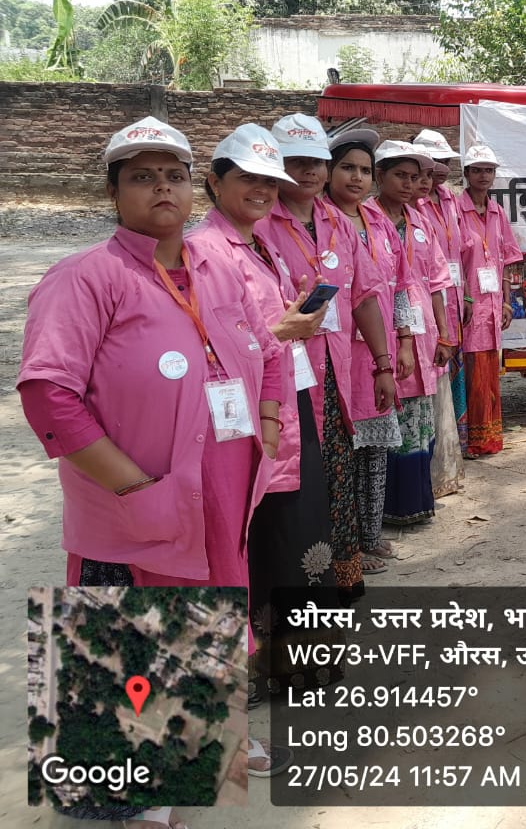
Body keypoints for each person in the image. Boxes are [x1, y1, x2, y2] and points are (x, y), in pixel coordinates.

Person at [18, 117, 286, 828]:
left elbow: (269, 348)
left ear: (193, 188)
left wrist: (267, 427)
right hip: (135, 503)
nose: (161, 188)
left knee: (207, 618)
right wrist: (135, 488)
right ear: (113, 192)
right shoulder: (86, 277)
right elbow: (49, 395)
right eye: (142, 177)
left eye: (173, 175)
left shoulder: (217, 268)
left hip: (221, 495)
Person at [194, 123, 343, 707]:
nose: (261, 190)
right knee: (261, 535)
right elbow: (213, 345)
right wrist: (282, 330)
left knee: (296, 529)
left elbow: (262, 326)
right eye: (247, 178)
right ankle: (260, 668)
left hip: (285, 399)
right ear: (215, 182)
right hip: (246, 413)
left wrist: (288, 321)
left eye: (269, 181)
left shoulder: (258, 244)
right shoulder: (206, 252)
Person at [261, 113, 396, 600]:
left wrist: (382, 363)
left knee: (337, 473)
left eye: (316, 161)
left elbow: (364, 296)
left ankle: (341, 575)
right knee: (290, 483)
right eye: (296, 161)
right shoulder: (260, 225)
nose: (309, 171)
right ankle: (293, 585)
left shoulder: (337, 222)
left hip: (335, 372)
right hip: (281, 378)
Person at [324, 128, 415, 572]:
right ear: (328, 172)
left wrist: (404, 340)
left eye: (364, 169)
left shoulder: (378, 222)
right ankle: (346, 545)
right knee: (342, 454)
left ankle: (371, 535)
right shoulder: (320, 221)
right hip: (337, 350)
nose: (357, 178)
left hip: (376, 352)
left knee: (376, 451)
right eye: (347, 168)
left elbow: (399, 286)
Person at [372, 139, 456, 525]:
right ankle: (389, 508)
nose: (408, 184)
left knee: (421, 420)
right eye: (400, 176)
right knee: (391, 419)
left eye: (414, 177)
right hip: (383, 331)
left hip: (423, 334)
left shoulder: (421, 221)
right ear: (380, 176)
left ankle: (419, 501)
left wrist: (444, 333)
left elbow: (437, 282)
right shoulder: (366, 219)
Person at [457, 143, 522, 457]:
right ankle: (469, 440)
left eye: (489, 170)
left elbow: (506, 259)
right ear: (467, 173)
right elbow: (451, 260)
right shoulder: (456, 211)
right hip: (467, 306)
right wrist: (463, 297)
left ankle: (488, 438)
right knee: (470, 374)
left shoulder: (497, 212)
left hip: (493, 306)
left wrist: (508, 301)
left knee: (488, 374)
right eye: (477, 170)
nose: (483, 176)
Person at [413, 128, 469, 491]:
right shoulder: (414, 205)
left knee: (451, 379)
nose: (439, 169)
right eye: (434, 163)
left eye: (444, 162)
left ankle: (453, 449)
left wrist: (467, 297)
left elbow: (460, 252)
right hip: (426, 305)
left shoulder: (450, 199)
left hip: (452, 297)